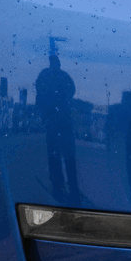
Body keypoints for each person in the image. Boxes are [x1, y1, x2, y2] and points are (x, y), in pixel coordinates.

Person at [35, 54, 80, 201]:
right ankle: (72, 186)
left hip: (54, 118)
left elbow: (39, 96)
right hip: (63, 117)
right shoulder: (63, 76)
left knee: (55, 153)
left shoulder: (45, 75)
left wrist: (44, 113)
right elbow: (72, 90)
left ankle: (58, 184)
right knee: (68, 153)